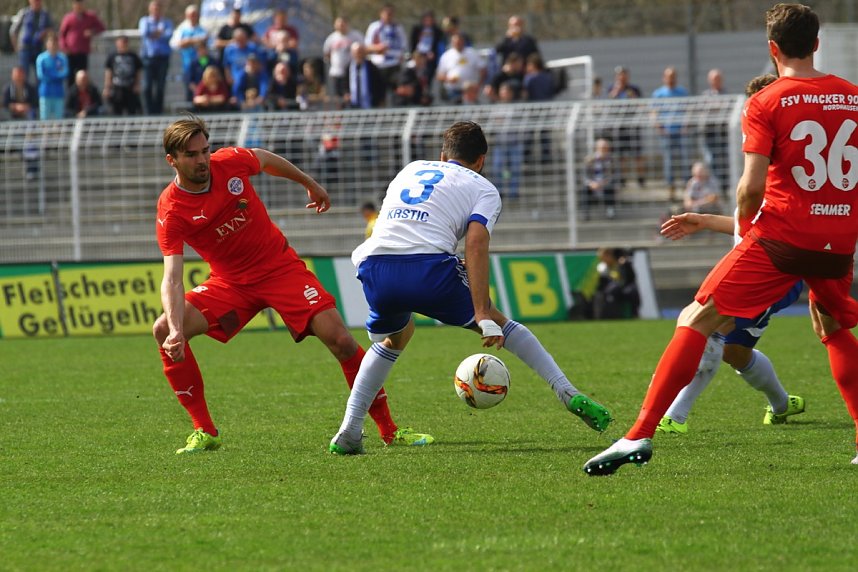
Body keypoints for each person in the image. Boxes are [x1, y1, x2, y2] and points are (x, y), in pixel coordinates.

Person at [585, 4, 858, 475]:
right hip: (838, 238)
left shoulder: (768, 99)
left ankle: (639, 435)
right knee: (832, 325)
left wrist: (744, 229)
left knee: (698, 316)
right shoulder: (852, 96)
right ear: (816, 44)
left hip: (781, 235)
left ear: (772, 49)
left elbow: (750, 188)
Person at [328, 121, 612, 455]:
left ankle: (350, 429)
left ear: (442, 154)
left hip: (374, 266)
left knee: (396, 337)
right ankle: (567, 392)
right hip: (426, 268)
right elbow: (475, 243)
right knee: (498, 320)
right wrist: (481, 310)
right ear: (481, 160)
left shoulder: (413, 167)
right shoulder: (484, 187)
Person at [153, 115, 433, 454]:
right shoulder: (171, 208)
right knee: (164, 327)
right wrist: (177, 331)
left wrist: (309, 183)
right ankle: (204, 429)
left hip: (280, 269)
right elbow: (172, 276)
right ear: (173, 160)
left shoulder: (228, 162)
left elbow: (267, 159)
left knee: (342, 341)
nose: (202, 160)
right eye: (192, 155)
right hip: (231, 284)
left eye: (205, 151)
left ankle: (390, 430)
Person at [657, 210, 805, 434]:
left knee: (711, 326)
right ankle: (782, 404)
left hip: (773, 278)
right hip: (745, 273)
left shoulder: (787, 189)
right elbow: (748, 224)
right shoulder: (763, 186)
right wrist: (706, 221)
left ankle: (674, 416)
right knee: (735, 352)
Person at [652, 66, 690, 202]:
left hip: (681, 132)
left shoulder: (682, 92)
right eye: (668, 76)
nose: (671, 79)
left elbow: (687, 110)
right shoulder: (659, 94)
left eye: (673, 76)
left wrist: (685, 126)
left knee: (685, 160)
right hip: (666, 133)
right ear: (664, 77)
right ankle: (671, 189)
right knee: (669, 162)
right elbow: (654, 113)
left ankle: (687, 188)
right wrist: (660, 128)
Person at [608, 66, 646, 188]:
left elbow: (641, 105)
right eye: (619, 75)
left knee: (637, 154)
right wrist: (616, 92)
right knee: (620, 155)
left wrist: (632, 97)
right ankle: (622, 180)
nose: (622, 77)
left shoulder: (634, 89)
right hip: (619, 127)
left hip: (633, 125)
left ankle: (640, 179)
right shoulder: (612, 89)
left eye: (624, 75)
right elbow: (608, 104)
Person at [364, 4, 408, 103]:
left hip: (394, 65)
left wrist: (401, 56)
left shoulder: (398, 28)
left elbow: (404, 46)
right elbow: (367, 46)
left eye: (391, 14)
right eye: (387, 13)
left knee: (397, 94)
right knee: (379, 95)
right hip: (378, 65)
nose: (389, 16)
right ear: (381, 14)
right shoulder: (374, 27)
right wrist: (378, 48)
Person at [58, 0, 105, 87]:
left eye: (81, 4)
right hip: (70, 53)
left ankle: (82, 97)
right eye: (77, 5)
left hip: (83, 52)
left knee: (83, 76)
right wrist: (64, 47)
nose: (79, 7)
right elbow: (62, 34)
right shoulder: (68, 17)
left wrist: (92, 32)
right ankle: (72, 97)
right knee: (71, 77)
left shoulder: (90, 17)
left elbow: (101, 27)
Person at [138, 0, 173, 115]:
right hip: (148, 57)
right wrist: (158, 32)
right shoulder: (145, 21)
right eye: (154, 8)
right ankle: (148, 112)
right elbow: (144, 33)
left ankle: (158, 112)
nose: (156, 11)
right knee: (147, 86)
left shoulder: (167, 22)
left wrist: (155, 34)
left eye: (158, 9)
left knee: (160, 87)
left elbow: (168, 35)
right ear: (150, 9)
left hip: (163, 58)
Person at [701, 68, 730, 195]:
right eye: (713, 79)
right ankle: (713, 188)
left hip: (723, 133)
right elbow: (703, 112)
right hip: (710, 134)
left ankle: (724, 187)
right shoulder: (705, 95)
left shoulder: (726, 95)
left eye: (718, 79)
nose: (716, 82)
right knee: (711, 160)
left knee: (724, 160)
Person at [170, 4, 208, 102]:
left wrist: (188, 42)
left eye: (195, 14)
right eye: (191, 15)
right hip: (188, 62)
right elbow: (175, 43)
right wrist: (195, 40)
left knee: (203, 82)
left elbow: (206, 41)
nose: (193, 17)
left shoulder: (202, 29)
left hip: (202, 62)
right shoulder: (182, 29)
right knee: (190, 85)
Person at [10, 0, 54, 81]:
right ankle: (25, 92)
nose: (36, 2)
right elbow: (13, 31)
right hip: (25, 48)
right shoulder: (24, 13)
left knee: (40, 75)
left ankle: (37, 93)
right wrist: (16, 47)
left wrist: (45, 32)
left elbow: (53, 30)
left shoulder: (46, 14)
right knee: (24, 75)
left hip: (39, 48)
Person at [436, 33, 485, 104]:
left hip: (471, 91)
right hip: (453, 90)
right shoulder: (446, 56)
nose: (458, 44)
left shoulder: (472, 53)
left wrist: (478, 85)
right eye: (456, 42)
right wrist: (448, 79)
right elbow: (439, 75)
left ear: (463, 42)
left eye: (460, 42)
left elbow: (483, 70)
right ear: (452, 43)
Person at [322, 17, 363, 99]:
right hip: (337, 72)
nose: (341, 26)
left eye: (343, 24)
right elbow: (327, 53)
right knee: (339, 97)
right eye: (339, 24)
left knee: (352, 94)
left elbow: (363, 48)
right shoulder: (331, 38)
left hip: (352, 71)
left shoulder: (355, 35)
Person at [593, 247, 640, 319]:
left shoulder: (621, 264)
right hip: (609, 290)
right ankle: (613, 315)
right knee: (613, 289)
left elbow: (630, 278)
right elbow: (602, 283)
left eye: (609, 255)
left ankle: (634, 313)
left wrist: (625, 265)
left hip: (623, 287)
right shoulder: (602, 267)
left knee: (633, 291)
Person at [103, 34, 143, 116]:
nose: (122, 45)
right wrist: (107, 87)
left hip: (130, 87)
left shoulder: (133, 56)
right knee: (116, 112)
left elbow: (138, 71)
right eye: (121, 43)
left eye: (124, 43)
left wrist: (137, 84)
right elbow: (108, 72)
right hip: (117, 88)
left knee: (132, 111)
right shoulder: (112, 56)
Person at [581, 138, 618, 220]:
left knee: (610, 187)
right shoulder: (589, 159)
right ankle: (585, 213)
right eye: (601, 148)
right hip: (593, 184)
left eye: (605, 148)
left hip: (605, 183)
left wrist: (603, 183)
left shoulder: (611, 160)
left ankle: (610, 211)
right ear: (596, 148)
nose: (603, 150)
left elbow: (613, 175)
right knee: (585, 189)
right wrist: (591, 183)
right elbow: (584, 176)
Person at [35, 33, 68, 120]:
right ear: (47, 44)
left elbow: (64, 73)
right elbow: (41, 75)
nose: (53, 45)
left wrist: (50, 73)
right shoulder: (41, 58)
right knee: (45, 119)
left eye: (55, 43)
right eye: (51, 42)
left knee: (59, 119)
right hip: (45, 92)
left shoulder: (62, 58)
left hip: (58, 92)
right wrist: (56, 74)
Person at [347, 42, 385, 110]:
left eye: (360, 52)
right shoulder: (348, 68)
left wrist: (380, 99)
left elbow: (379, 84)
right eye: (356, 52)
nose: (358, 55)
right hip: (352, 105)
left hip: (370, 104)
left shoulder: (371, 67)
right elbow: (345, 83)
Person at [409, 10, 443, 84]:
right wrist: (413, 54)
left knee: (428, 76)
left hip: (430, 56)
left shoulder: (437, 31)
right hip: (418, 55)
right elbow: (412, 43)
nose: (428, 22)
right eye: (426, 20)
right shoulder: (417, 29)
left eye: (430, 20)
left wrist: (433, 53)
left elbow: (438, 44)